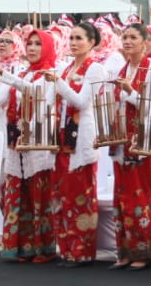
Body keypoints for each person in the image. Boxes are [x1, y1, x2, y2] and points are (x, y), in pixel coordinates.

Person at [47, 21, 111, 267]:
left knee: (79, 194)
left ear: (92, 42)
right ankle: (65, 248)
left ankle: (81, 250)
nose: (73, 43)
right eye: (71, 38)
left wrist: (58, 84)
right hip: (63, 136)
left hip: (81, 137)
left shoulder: (95, 69)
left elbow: (83, 102)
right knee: (61, 194)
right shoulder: (66, 68)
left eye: (79, 39)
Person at [0, 31, 59, 262]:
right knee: (17, 190)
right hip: (16, 137)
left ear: (49, 47)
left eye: (38, 44)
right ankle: (22, 246)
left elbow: (38, 95)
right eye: (29, 43)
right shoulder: (21, 72)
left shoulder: (51, 74)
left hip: (38, 136)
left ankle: (44, 247)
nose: (32, 48)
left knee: (39, 192)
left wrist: (7, 76)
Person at [108, 25, 151, 269]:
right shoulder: (124, 69)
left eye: (133, 37)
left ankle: (142, 251)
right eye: (125, 37)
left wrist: (130, 92)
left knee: (140, 193)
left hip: (141, 141)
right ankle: (125, 250)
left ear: (146, 43)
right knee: (121, 195)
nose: (128, 41)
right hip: (121, 140)